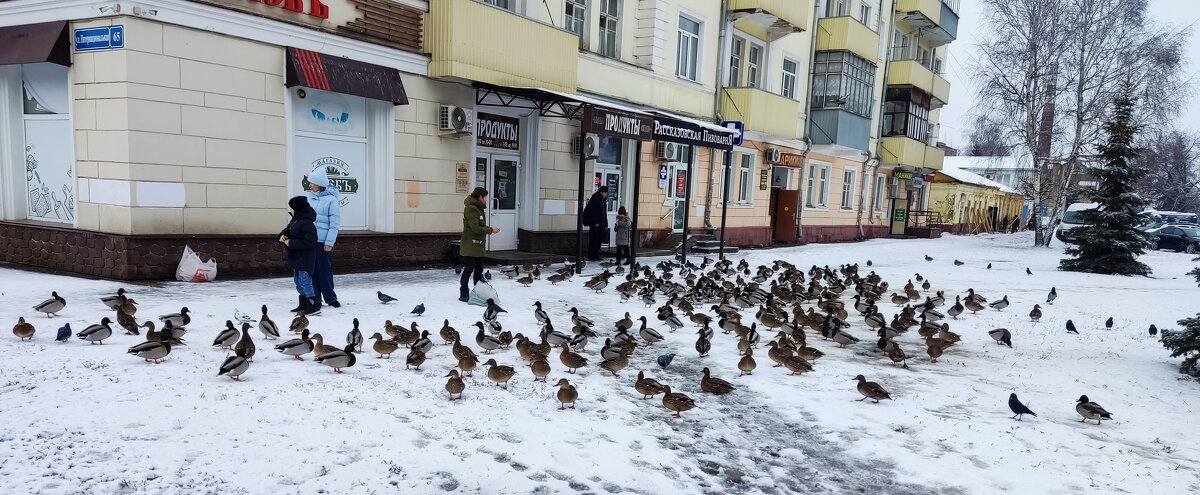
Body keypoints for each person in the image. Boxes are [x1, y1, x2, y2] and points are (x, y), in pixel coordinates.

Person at [307, 167, 341, 309]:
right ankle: (316, 299)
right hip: (310, 241)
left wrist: (329, 242)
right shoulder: (310, 197)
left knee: (324, 271)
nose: (310, 185)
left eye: (312, 183)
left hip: (323, 242)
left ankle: (330, 298)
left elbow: (334, 223)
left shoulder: (331, 201)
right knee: (312, 271)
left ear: (319, 184)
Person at [280, 196, 320, 314]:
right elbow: (288, 229)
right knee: (298, 281)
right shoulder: (296, 220)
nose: (291, 210)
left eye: (292, 208)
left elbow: (310, 242)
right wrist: (282, 235)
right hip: (296, 257)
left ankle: (312, 305)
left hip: (305, 257)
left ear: (298, 208)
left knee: (305, 281)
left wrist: (290, 242)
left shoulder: (307, 223)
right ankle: (303, 304)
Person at [460, 187, 500, 302]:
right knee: (469, 269)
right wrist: (491, 230)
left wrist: (489, 230)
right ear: (480, 197)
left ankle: (477, 292)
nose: (486, 200)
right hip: (470, 245)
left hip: (478, 246)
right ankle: (464, 293)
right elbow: (475, 228)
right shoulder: (471, 209)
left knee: (479, 269)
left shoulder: (478, 208)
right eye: (485, 197)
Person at [582, 186, 609, 260]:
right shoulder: (595, 198)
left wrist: (605, 223)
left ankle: (596, 255)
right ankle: (592, 255)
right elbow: (592, 211)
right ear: (602, 192)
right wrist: (595, 222)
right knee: (594, 240)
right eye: (605, 192)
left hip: (601, 224)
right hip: (595, 224)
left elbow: (604, 213)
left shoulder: (603, 200)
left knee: (599, 240)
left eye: (606, 193)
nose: (606, 194)